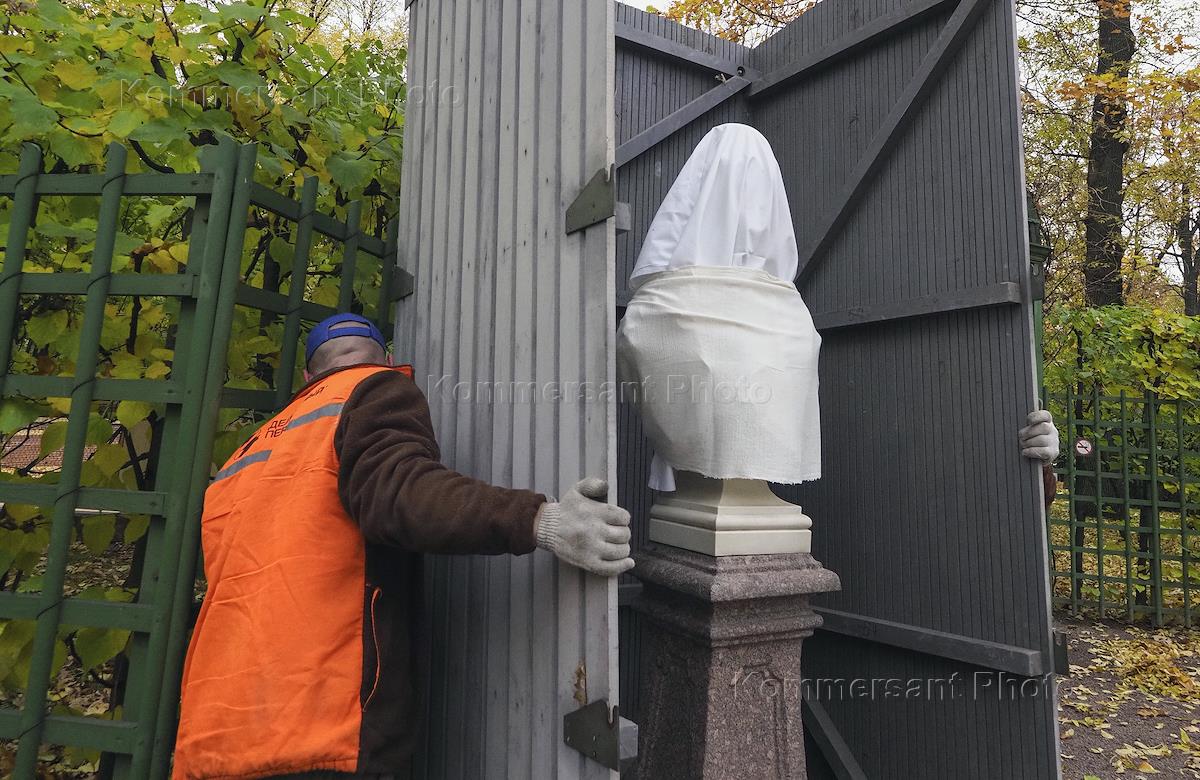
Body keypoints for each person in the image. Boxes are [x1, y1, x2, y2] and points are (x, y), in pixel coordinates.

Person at [172, 313, 635, 780]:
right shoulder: (371, 389)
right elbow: (401, 492)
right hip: (321, 726)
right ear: (389, 359)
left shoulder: (245, 456)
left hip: (213, 736)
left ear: (307, 377)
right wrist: (539, 520)